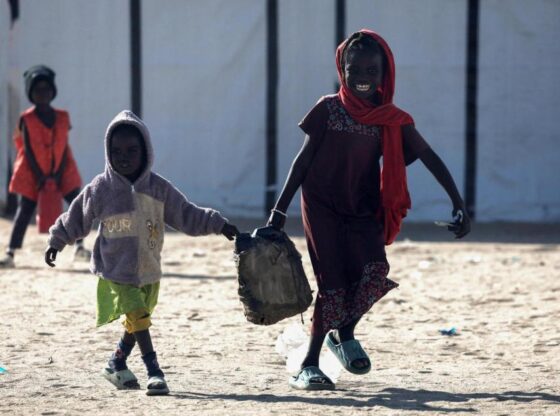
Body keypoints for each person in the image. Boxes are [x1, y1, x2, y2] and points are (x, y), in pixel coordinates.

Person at [267, 29, 471, 390]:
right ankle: (310, 364)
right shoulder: (327, 109)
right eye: (353, 69)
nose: (362, 77)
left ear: (384, 74)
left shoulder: (390, 118)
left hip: (361, 207)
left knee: (374, 273)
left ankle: (343, 333)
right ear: (341, 70)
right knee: (332, 282)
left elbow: (428, 156)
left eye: (370, 70)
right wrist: (279, 211)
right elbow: (303, 161)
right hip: (322, 205)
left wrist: (458, 201)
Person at [44, 110, 239, 395]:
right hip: (117, 270)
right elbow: (77, 216)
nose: (124, 157)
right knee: (137, 314)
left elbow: (186, 214)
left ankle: (116, 362)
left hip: (149, 269)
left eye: (132, 150)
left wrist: (217, 223)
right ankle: (154, 370)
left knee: (139, 319)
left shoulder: (158, 189)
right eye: (117, 151)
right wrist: (56, 240)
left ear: (145, 150)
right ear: (107, 152)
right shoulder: (101, 189)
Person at [0, 65, 90, 268]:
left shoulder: (62, 117)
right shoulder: (27, 119)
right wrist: (41, 176)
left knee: (77, 204)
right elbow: (28, 149)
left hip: (63, 168)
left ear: (53, 92)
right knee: (24, 210)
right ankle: (10, 253)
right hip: (31, 172)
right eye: (37, 89)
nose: (43, 93)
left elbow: (64, 145)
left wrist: (57, 175)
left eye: (46, 89)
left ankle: (80, 247)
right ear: (31, 93)